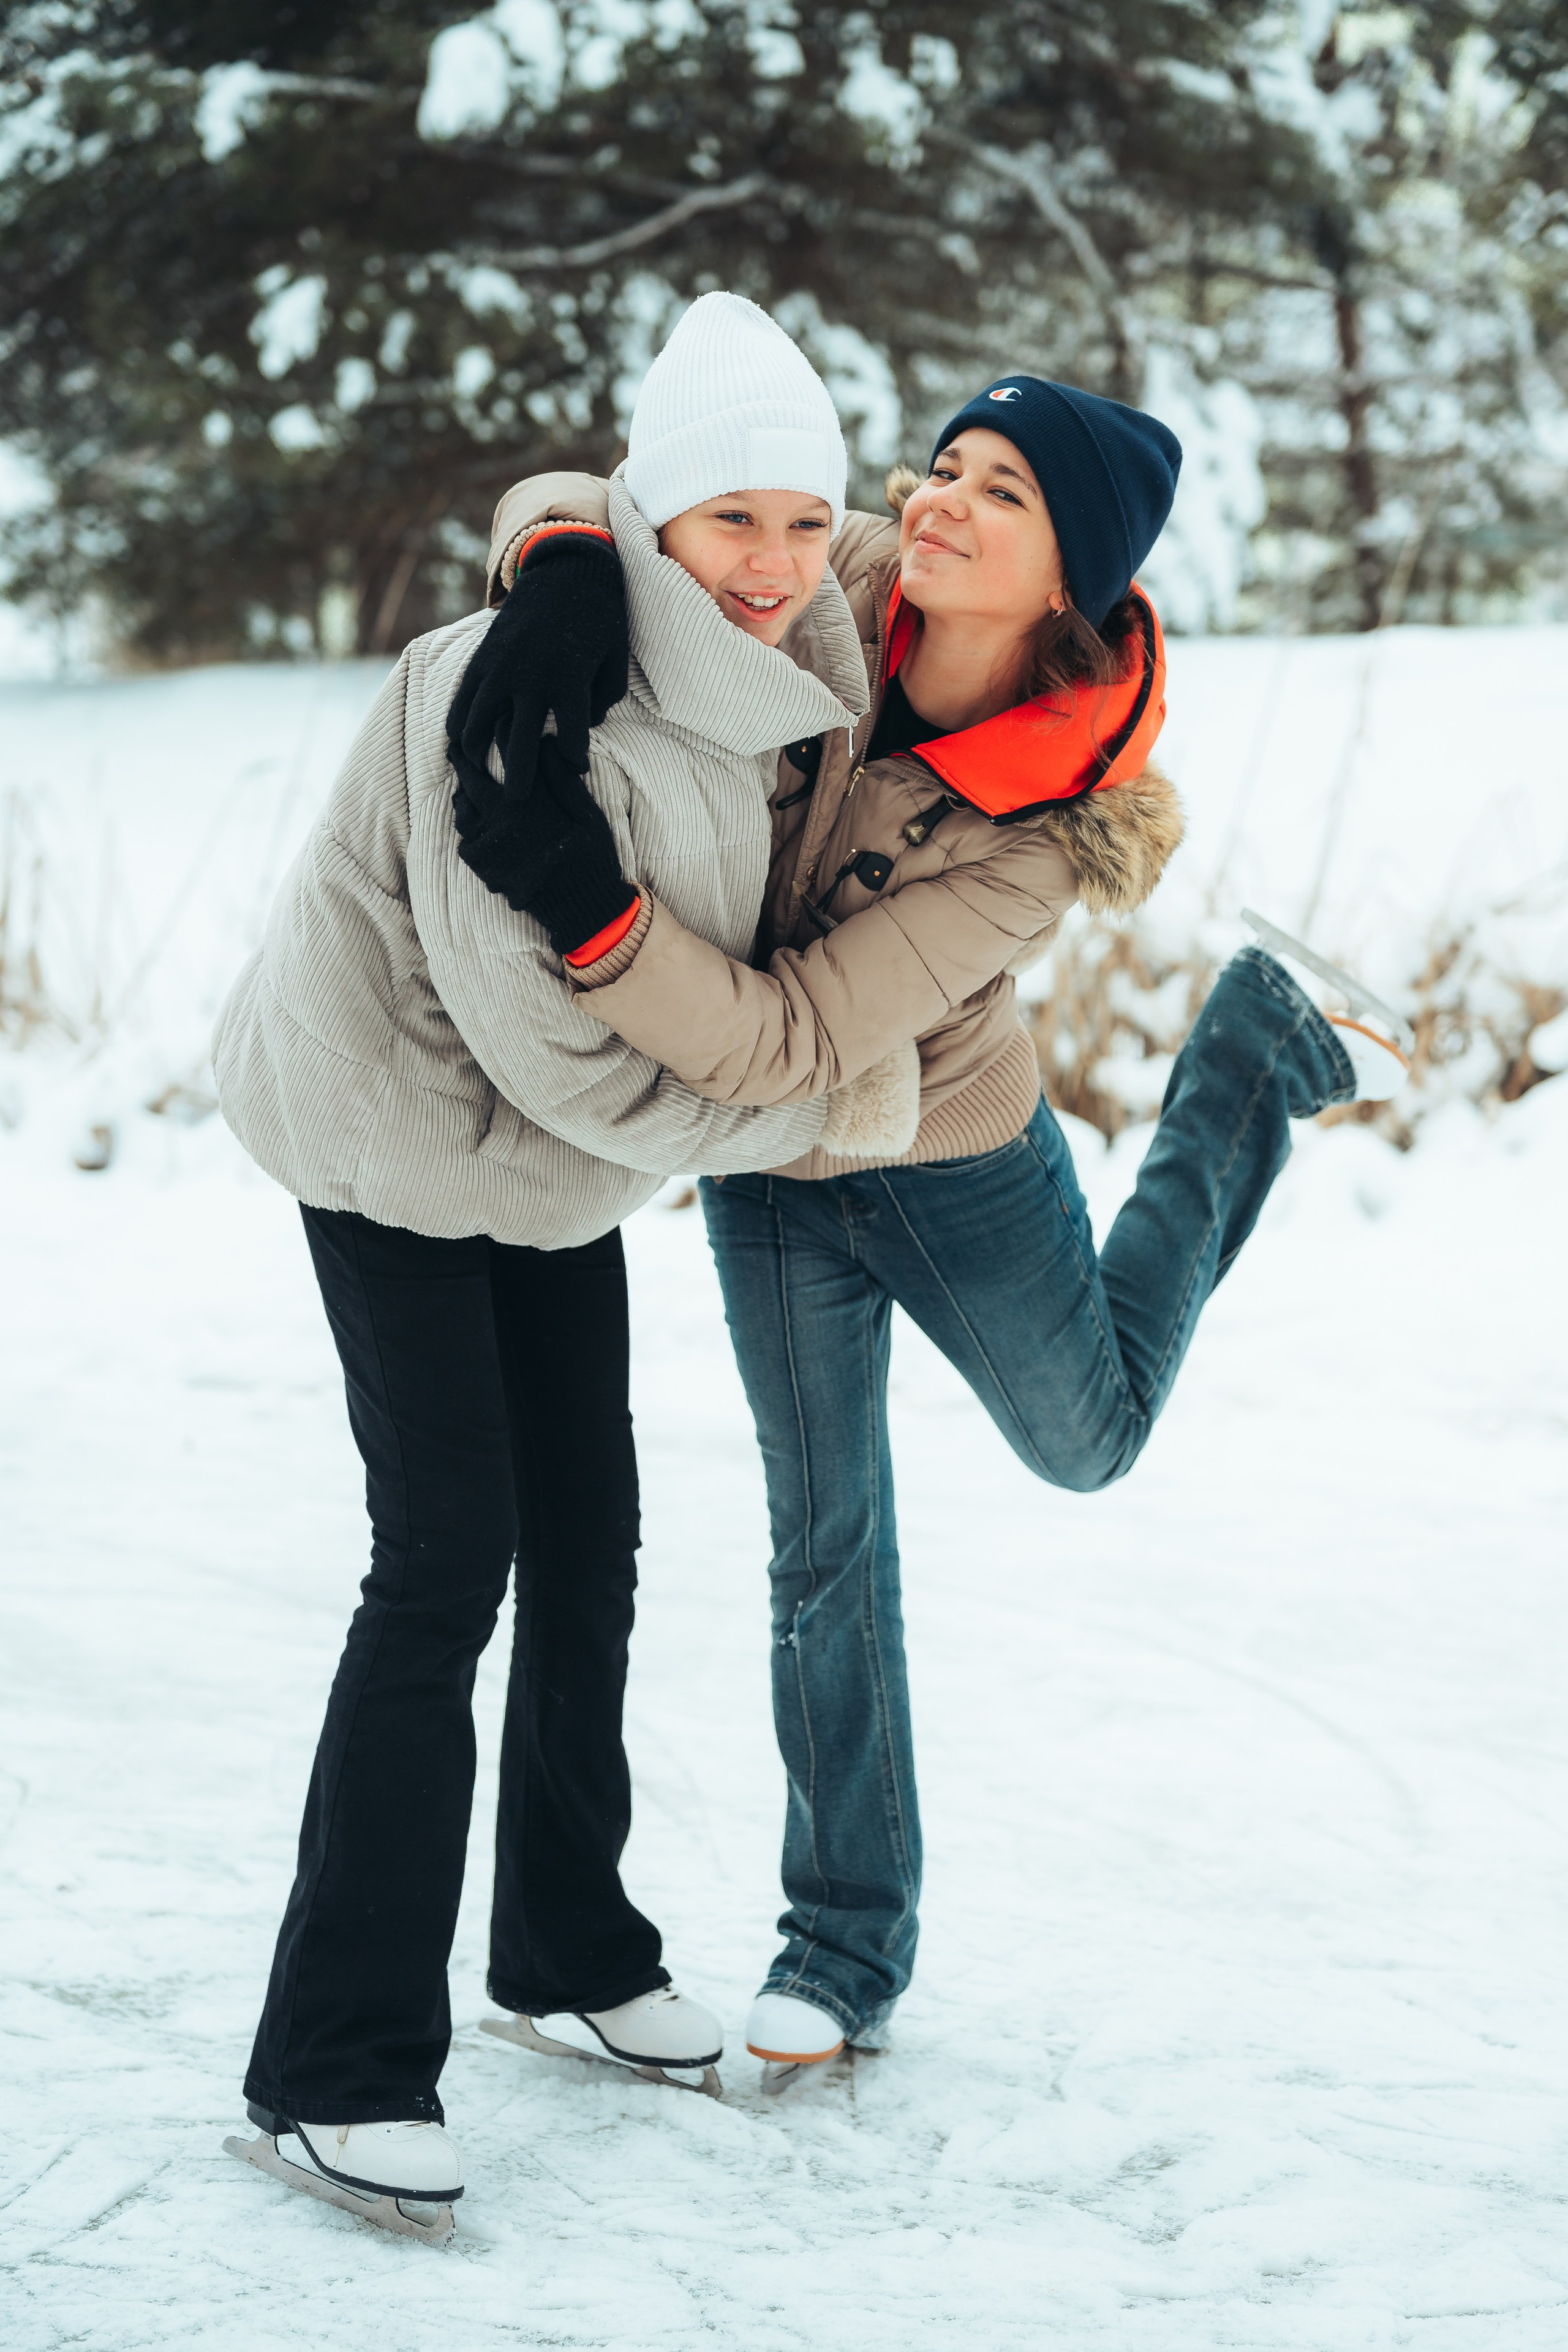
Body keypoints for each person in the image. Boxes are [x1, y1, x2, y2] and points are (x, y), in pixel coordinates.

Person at [473, 371, 1412, 2084]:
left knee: (1089, 1442)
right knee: (822, 1542)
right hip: (764, 1165)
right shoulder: (817, 566)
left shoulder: (1045, 834)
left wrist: (593, 920)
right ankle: (843, 1946)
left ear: (1076, 577)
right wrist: (555, 574)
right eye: (949, 467)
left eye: (1007, 495)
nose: (945, 503)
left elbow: (816, 1033)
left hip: (943, 1153)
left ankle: (1256, 1048)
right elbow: (599, 493)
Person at [210, 294, 914, 2232]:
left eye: (801, 517)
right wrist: (826, 1110)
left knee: (588, 1537)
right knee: (445, 1563)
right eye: (728, 523)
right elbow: (573, 1058)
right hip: (397, 1132)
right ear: (655, 518)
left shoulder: (775, 646)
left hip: (550, 1176)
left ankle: (566, 1952)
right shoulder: (508, 695)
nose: (774, 565)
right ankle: (328, 2065)